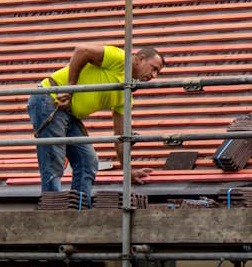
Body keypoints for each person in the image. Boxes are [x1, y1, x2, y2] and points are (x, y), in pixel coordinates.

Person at [27, 44, 164, 205]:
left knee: (88, 161)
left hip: (68, 114)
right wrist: (69, 89)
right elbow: (82, 51)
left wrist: (128, 172)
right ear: (140, 59)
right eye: (153, 68)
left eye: (158, 73)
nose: (154, 75)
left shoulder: (126, 93)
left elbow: (121, 139)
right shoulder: (121, 59)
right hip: (50, 98)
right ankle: (52, 209)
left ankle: (79, 208)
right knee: (53, 159)